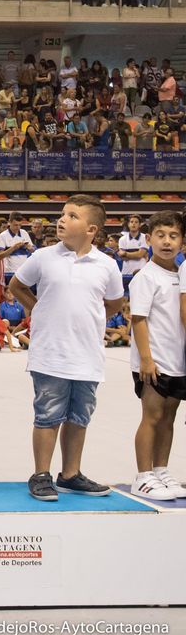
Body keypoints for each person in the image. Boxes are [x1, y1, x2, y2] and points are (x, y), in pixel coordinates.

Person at [10, 196, 123, 502]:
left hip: (87, 356)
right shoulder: (43, 257)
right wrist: (39, 309)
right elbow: (17, 286)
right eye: (62, 214)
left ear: (91, 229)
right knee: (47, 414)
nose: (61, 219)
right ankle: (41, 474)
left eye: (72, 216)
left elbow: (115, 302)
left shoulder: (107, 265)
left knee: (79, 416)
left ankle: (71, 474)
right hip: (50, 354)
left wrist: (93, 317)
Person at [128, 211, 186, 500]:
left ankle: (162, 469)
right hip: (155, 361)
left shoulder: (180, 275)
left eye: (173, 236)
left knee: (169, 417)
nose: (167, 242)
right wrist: (146, 359)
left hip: (178, 361)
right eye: (161, 236)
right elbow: (138, 319)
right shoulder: (146, 277)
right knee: (151, 416)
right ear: (148, 239)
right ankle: (144, 475)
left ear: (182, 242)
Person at [0, 210, 35, 283]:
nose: (18, 227)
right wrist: (13, 248)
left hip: (24, 271)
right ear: (9, 222)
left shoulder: (24, 233)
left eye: (20, 225)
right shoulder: (3, 235)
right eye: (15, 225)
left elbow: (33, 250)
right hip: (10, 272)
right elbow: (0, 256)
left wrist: (30, 248)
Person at [118, 213, 149, 292]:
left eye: (136, 222)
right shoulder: (122, 239)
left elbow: (140, 254)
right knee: (125, 295)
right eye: (131, 222)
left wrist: (126, 253)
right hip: (126, 272)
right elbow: (122, 257)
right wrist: (135, 254)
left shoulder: (144, 237)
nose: (133, 224)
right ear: (128, 224)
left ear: (139, 225)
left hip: (141, 270)